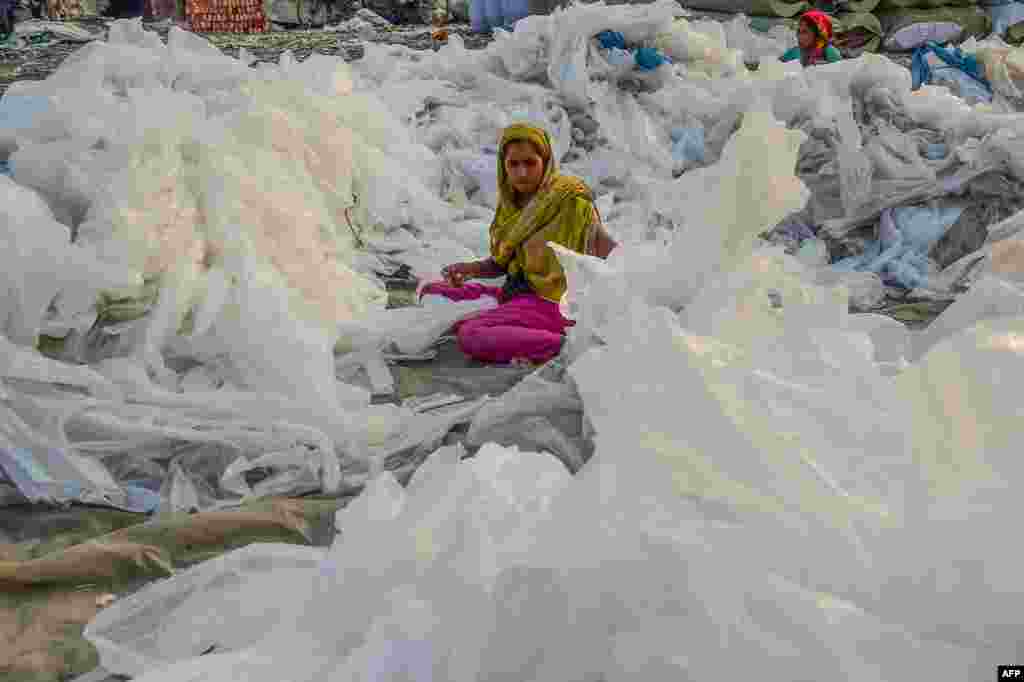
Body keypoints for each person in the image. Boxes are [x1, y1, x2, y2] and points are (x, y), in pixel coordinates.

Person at [421, 123, 618, 365]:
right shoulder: (513, 204)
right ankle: (518, 332)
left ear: (545, 162)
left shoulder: (571, 202)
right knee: (432, 292)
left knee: (471, 334)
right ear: (504, 167)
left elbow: (613, 258)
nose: (522, 173)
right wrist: (471, 269)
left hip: (553, 305)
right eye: (514, 164)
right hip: (519, 293)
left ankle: (567, 346)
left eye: (530, 163)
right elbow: (503, 264)